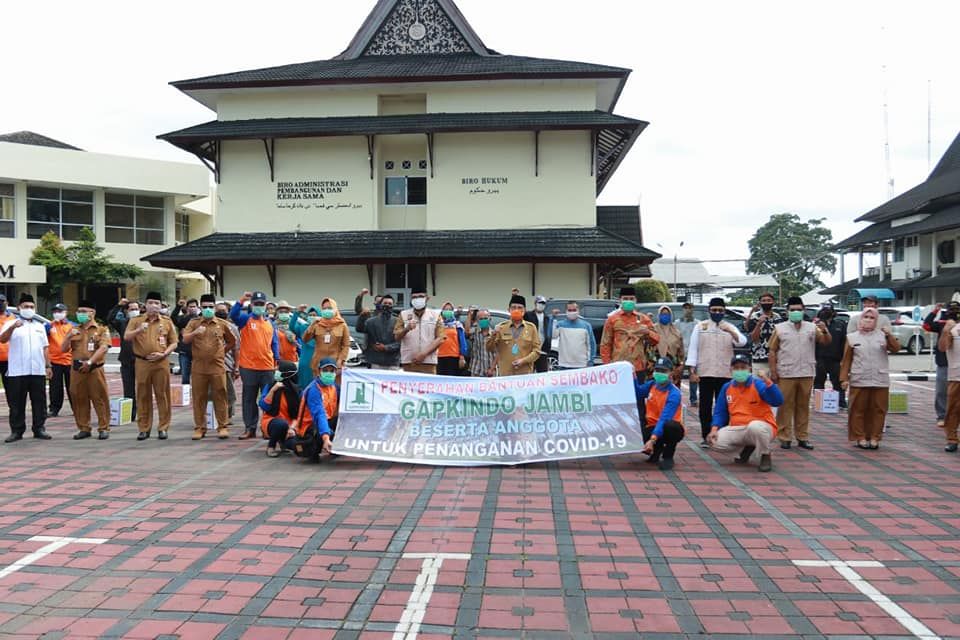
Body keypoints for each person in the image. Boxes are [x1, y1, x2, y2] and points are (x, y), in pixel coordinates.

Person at [768, 296, 831, 450]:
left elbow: (825, 342)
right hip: (786, 372)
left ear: (804, 310)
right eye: (793, 310)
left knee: (803, 406)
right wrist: (774, 371)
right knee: (785, 406)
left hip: (806, 372)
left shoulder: (812, 327)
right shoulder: (780, 328)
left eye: (799, 310)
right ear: (787, 311)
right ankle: (785, 437)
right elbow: (772, 350)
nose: (796, 312)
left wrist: (825, 330)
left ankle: (802, 436)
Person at [685, 298, 747, 447]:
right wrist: (692, 371)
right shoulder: (701, 327)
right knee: (705, 406)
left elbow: (742, 342)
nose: (717, 313)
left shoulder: (730, 326)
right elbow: (693, 349)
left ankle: (722, 435)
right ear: (709, 311)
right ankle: (706, 435)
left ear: (724, 311)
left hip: (724, 373)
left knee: (724, 405)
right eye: (714, 310)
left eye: (720, 310)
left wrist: (731, 332)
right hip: (706, 371)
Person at [841, 308, 900, 450]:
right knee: (857, 409)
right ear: (860, 319)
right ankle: (860, 437)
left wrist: (889, 335)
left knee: (879, 409)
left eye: (872, 317)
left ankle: (875, 437)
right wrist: (844, 379)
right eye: (865, 317)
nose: (868, 320)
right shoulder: (852, 337)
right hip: (859, 378)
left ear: (877, 320)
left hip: (880, 379)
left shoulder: (882, 335)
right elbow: (846, 360)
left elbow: (896, 348)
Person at [125, 291, 178, 441]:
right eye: (150, 303)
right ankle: (144, 428)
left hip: (161, 362)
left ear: (161, 306)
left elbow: (174, 342)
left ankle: (163, 427)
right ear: (145, 305)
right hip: (142, 362)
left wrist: (164, 353)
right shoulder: (136, 320)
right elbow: (127, 337)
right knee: (143, 395)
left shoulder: (167, 322)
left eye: (156, 303)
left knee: (163, 395)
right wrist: (139, 329)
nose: (153, 306)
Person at [183, 294, 238, 440]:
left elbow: (232, 342)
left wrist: (221, 352)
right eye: (205, 307)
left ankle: (222, 427)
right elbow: (185, 339)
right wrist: (195, 332)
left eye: (210, 307)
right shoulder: (194, 323)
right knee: (199, 397)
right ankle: (200, 428)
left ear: (214, 308)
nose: (208, 309)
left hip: (217, 366)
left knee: (220, 396)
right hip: (199, 367)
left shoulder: (222, 324)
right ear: (201, 307)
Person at [0, 293, 53, 442]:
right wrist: (12, 328)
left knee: (39, 401)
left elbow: (45, 347)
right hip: (18, 370)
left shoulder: (39, 326)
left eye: (31, 307)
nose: (28, 309)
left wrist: (48, 365)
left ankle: (39, 428)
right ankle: (17, 431)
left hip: (37, 370)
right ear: (19, 308)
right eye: (25, 307)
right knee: (17, 402)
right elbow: (2, 339)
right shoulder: (10, 323)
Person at [231, 291, 280, 440]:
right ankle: (250, 428)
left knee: (268, 399)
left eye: (261, 304)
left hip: (267, 367)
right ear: (252, 305)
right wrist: (241, 301)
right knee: (249, 399)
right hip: (249, 367)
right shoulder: (246, 319)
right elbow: (233, 315)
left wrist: (277, 360)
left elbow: (274, 342)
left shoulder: (270, 323)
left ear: (266, 306)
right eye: (256, 304)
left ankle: (267, 428)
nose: (259, 306)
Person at [62, 300, 111, 440]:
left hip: (94, 368)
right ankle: (84, 428)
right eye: (79, 311)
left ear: (92, 313)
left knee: (99, 398)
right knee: (79, 398)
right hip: (77, 370)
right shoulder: (74, 330)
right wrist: (69, 337)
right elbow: (63, 349)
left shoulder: (101, 329)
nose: (80, 314)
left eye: (84, 311)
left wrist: (90, 362)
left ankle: (103, 427)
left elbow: (103, 348)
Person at [634, 357, 686, 470]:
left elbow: (664, 417)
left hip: (669, 427)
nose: (659, 373)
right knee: (637, 427)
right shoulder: (651, 384)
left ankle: (668, 456)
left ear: (670, 373)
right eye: (657, 370)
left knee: (670, 427)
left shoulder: (674, 393)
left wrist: (652, 439)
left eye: (663, 371)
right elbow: (638, 393)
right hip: (652, 426)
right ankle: (656, 452)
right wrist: (633, 377)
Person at [283, 357, 338, 460]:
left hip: (326, 420)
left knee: (341, 422)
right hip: (309, 425)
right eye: (325, 370)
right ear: (319, 372)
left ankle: (331, 442)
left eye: (332, 371)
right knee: (308, 449)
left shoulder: (333, 386)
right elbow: (319, 414)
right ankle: (288, 441)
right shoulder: (314, 390)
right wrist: (326, 437)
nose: (329, 373)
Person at [600, 287, 660, 378]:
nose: (628, 301)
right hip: (618, 366)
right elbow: (605, 344)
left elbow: (656, 340)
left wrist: (647, 332)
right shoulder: (612, 320)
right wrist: (607, 365)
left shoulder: (643, 319)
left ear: (635, 300)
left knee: (637, 391)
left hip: (638, 367)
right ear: (620, 300)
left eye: (631, 299)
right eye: (625, 299)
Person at [487, 294, 541, 376]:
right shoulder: (501, 327)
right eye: (514, 307)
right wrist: (493, 335)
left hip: (525, 375)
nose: (516, 310)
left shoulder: (531, 328)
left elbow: (537, 351)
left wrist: (524, 360)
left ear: (524, 310)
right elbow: (489, 348)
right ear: (509, 310)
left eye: (520, 308)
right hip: (506, 375)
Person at [395, 290, 444, 374]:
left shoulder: (436, 315)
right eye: (414, 297)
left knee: (428, 386)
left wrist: (423, 354)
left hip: (429, 362)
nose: (417, 299)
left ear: (427, 298)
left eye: (420, 296)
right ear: (411, 299)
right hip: (409, 362)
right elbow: (397, 337)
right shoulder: (403, 314)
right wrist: (406, 329)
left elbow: (440, 338)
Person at [260, 360, 301, 456]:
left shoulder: (297, 391)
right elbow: (263, 405)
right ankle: (271, 446)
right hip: (272, 421)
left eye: (278, 369)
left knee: (297, 446)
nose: (276, 371)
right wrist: (273, 391)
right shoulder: (270, 386)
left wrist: (292, 429)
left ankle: (284, 443)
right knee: (281, 424)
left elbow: (298, 415)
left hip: (290, 426)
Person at [924, 302, 954, 428]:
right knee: (941, 391)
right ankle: (942, 415)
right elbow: (926, 325)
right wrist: (935, 311)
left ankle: (954, 416)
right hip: (944, 362)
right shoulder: (943, 323)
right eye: (951, 310)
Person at [110, 299, 140, 421]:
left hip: (142, 360)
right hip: (127, 360)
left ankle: (144, 412)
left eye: (136, 309)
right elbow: (110, 319)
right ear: (127, 311)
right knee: (128, 388)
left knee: (143, 388)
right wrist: (118, 305)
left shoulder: (145, 323)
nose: (134, 311)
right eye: (131, 309)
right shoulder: (123, 323)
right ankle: (130, 413)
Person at [304, 298, 350, 377]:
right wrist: (312, 325)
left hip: (334, 364)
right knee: (319, 387)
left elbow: (346, 345)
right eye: (324, 309)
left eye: (329, 308)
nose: (327, 310)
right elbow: (305, 339)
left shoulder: (342, 325)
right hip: (318, 364)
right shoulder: (317, 324)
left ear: (335, 309)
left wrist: (340, 360)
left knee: (334, 387)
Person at [814, 304, 848, 409]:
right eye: (824, 309)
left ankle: (841, 402)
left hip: (835, 359)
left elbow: (844, 341)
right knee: (819, 381)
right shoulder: (815, 325)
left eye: (828, 310)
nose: (826, 311)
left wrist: (844, 358)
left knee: (838, 382)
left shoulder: (840, 324)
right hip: (820, 358)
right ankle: (818, 403)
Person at [46, 303, 76, 417]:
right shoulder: (49, 326)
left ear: (65, 312)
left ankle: (76, 408)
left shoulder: (72, 326)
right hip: (54, 361)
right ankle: (54, 409)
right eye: (55, 311)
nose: (57, 313)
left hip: (69, 361)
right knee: (55, 387)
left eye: (60, 311)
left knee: (72, 387)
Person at [357, 294, 401, 370]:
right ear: (380, 305)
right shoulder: (371, 321)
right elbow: (360, 329)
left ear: (393, 306)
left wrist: (386, 348)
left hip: (393, 362)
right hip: (375, 361)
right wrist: (362, 316)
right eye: (385, 303)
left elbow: (401, 342)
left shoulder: (398, 321)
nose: (387, 305)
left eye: (390, 304)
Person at [938, 309, 960, 453]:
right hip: (957, 377)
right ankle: (952, 439)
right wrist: (946, 330)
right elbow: (942, 347)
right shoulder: (954, 329)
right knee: (953, 410)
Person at [745, 292, 782, 376]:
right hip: (759, 359)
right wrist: (759, 323)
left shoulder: (778, 317)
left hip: (776, 359)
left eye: (769, 300)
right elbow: (753, 338)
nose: (766, 302)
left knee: (774, 387)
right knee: (759, 387)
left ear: (773, 302)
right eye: (764, 300)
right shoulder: (755, 317)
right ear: (760, 303)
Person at [552, 301, 596, 370]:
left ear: (578, 311)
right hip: (564, 365)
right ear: (566, 311)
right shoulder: (560, 325)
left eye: (574, 310)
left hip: (582, 365)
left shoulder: (586, 326)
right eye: (570, 310)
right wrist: (554, 319)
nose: (572, 312)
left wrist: (590, 361)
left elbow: (591, 345)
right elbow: (553, 335)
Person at [215, 302, 241, 420]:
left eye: (223, 310)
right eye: (218, 310)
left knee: (228, 391)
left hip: (228, 364)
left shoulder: (233, 328)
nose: (221, 312)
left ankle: (228, 416)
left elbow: (237, 349)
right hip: (212, 365)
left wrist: (236, 367)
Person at [653, 305, 684, 384]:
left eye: (667, 314)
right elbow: (648, 350)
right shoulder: (653, 330)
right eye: (663, 314)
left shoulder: (676, 332)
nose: (665, 316)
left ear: (670, 315)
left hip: (673, 369)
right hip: (657, 368)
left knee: (671, 393)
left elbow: (680, 352)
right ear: (659, 315)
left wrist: (680, 366)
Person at [675, 302, 699, 405]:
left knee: (693, 376)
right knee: (678, 375)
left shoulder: (697, 323)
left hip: (693, 353)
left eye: (689, 308)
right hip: (681, 352)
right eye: (685, 308)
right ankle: (676, 396)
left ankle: (693, 399)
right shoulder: (677, 323)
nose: (687, 310)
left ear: (693, 310)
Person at [171, 298, 199, 385]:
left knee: (198, 376)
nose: (192, 308)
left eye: (194, 306)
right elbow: (173, 318)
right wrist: (178, 306)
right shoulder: (183, 319)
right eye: (190, 307)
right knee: (185, 376)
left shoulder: (201, 319)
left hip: (198, 351)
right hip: (184, 351)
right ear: (187, 308)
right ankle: (186, 397)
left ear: (197, 307)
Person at [464, 308, 498, 377]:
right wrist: (469, 315)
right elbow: (466, 332)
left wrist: (492, 368)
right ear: (477, 320)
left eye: (485, 318)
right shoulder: (474, 332)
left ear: (490, 319)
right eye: (481, 319)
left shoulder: (495, 334)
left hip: (490, 371)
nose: (483, 320)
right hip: (476, 370)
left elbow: (498, 353)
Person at [437, 302, 468, 375]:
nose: (447, 311)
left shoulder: (457, 325)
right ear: (442, 311)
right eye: (445, 309)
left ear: (453, 312)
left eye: (450, 309)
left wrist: (462, 356)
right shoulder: (438, 324)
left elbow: (462, 342)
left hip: (454, 357)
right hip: (439, 357)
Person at [524, 296, 554, 373]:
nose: (541, 305)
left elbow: (549, 332)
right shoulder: (528, 315)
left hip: (543, 349)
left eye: (543, 303)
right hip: (530, 350)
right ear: (535, 303)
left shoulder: (547, 317)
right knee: (529, 372)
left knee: (543, 373)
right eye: (540, 303)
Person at [293, 306, 320, 388]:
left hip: (318, 363)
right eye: (310, 315)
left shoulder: (323, 329)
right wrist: (296, 313)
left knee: (316, 387)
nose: (312, 317)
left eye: (314, 315)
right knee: (303, 387)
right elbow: (292, 327)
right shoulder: (303, 327)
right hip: (305, 363)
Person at [0, 294, 12, 414]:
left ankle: (13, 409)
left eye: (1, 301)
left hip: (9, 359)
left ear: (6, 302)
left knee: (11, 387)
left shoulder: (12, 319)